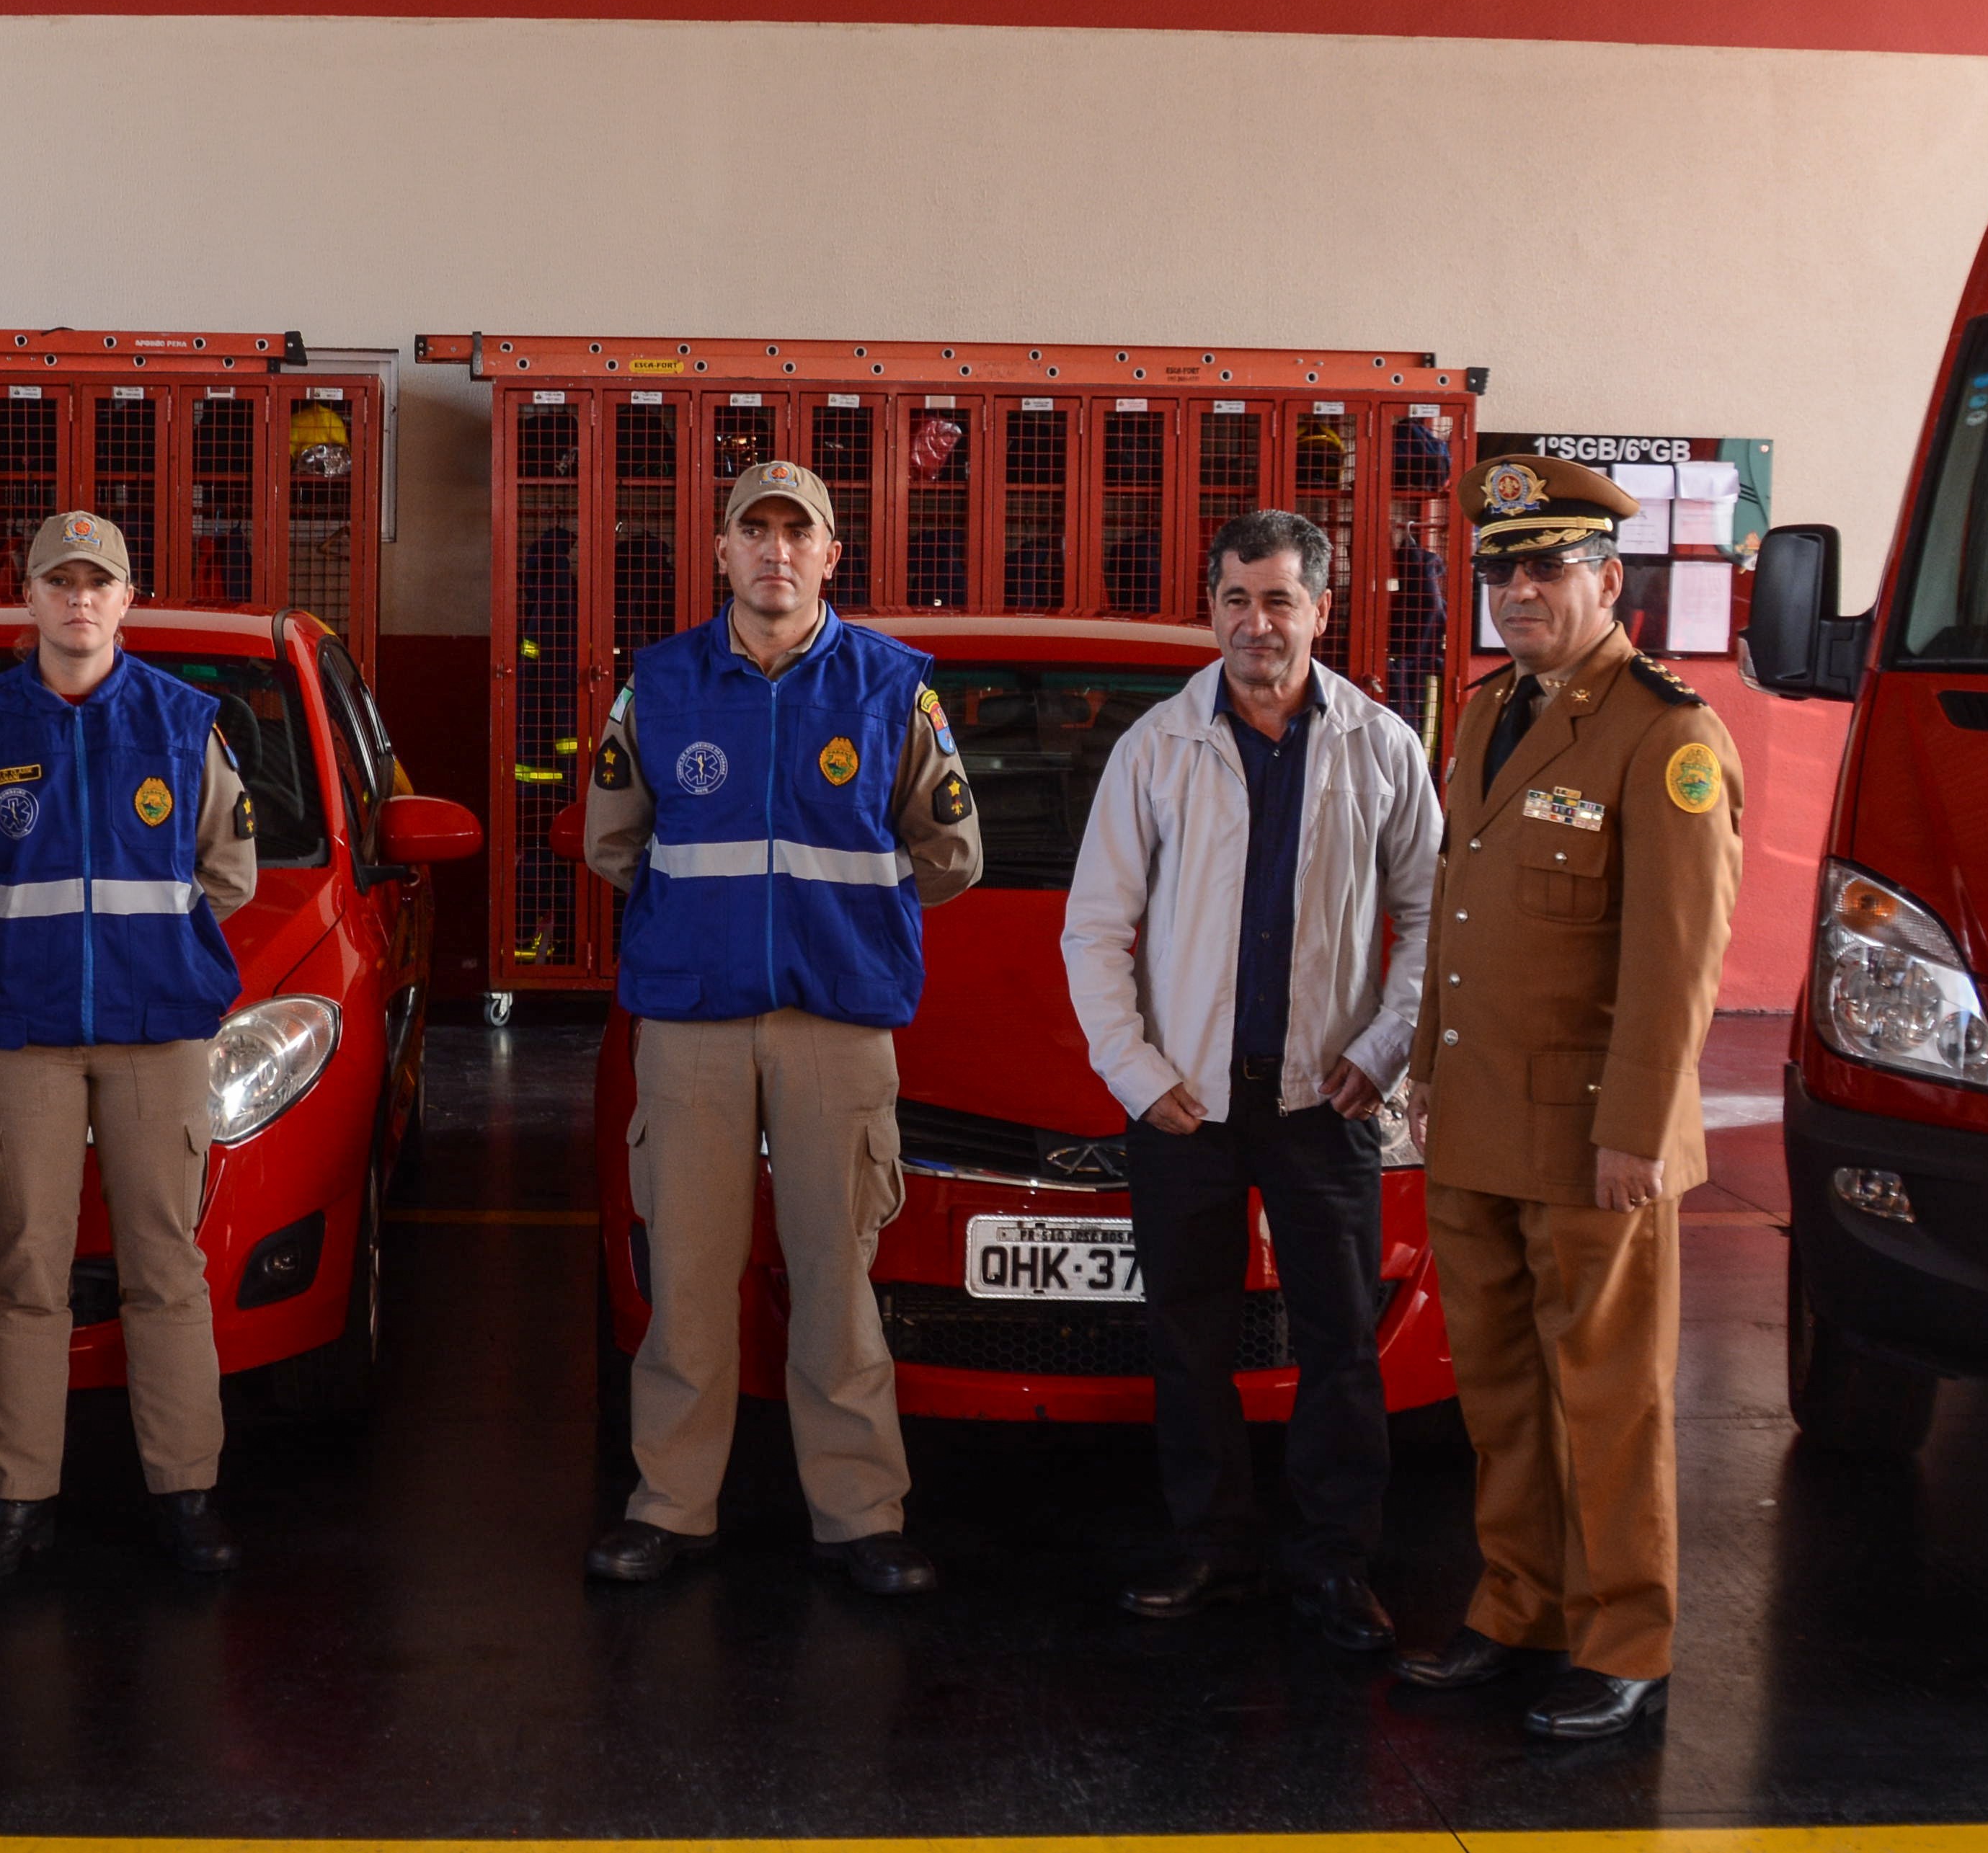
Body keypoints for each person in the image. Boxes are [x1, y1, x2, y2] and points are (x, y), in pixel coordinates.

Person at [581, 459, 982, 1596]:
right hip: (692, 1021)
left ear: (829, 556)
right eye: (751, 532)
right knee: (689, 1278)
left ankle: (860, 1516)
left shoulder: (893, 686)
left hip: (834, 1020)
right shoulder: (657, 685)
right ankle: (671, 1504)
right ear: (720, 553)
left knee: (836, 1280)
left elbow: (953, 856)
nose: (773, 552)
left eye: (793, 533)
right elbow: (613, 841)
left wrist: (841, 924)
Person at [1395, 454, 1739, 1738]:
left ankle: (1623, 1637)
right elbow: (1458, 916)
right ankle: (1517, 1607)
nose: (1520, 591)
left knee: (1605, 1391)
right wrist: (1427, 1066)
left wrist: (1638, 1134)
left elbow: (1677, 961)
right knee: (1498, 1387)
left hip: (1596, 1132)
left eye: (1547, 567)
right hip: (1481, 1116)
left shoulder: (1666, 736)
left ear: (1610, 578)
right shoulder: (1490, 714)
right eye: (1502, 570)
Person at [1060, 506, 1442, 1638]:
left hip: (1327, 1102)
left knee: (1339, 1342)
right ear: (1210, 608)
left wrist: (1383, 1050)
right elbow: (1095, 928)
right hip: (1189, 1105)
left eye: (1279, 600)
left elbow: (1432, 921)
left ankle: (1335, 1561)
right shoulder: (1156, 746)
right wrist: (1135, 1071)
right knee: (1188, 1336)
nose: (1256, 623)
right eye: (1236, 599)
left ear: (1322, 611)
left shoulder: (1383, 747)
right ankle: (1211, 1548)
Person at [0, 507, 261, 1580]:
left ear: (125, 600)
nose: (77, 601)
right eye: (57, 582)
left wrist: (152, 959)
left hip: (158, 1033)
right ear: (27, 598)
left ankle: (186, 1495)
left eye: (96, 584)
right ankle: (17, 1500)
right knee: (25, 1271)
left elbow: (230, 873)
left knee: (166, 1267)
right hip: (22, 1036)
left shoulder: (183, 721)